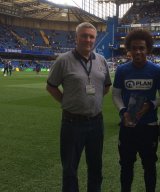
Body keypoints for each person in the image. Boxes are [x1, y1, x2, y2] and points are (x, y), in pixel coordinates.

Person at [46, 22, 112, 192]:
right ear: (76, 38)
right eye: (84, 35)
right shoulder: (63, 60)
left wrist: (92, 101)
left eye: (91, 37)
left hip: (96, 122)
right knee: (69, 169)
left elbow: (106, 86)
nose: (87, 40)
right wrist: (66, 102)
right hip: (72, 123)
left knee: (96, 168)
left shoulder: (101, 60)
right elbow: (51, 86)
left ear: (95, 39)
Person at [112, 29, 160, 192]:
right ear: (129, 49)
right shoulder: (122, 70)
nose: (138, 51)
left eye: (141, 48)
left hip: (149, 126)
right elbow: (116, 95)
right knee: (126, 166)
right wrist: (123, 112)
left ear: (147, 49)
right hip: (128, 126)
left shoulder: (157, 71)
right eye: (134, 48)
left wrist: (151, 105)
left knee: (149, 165)